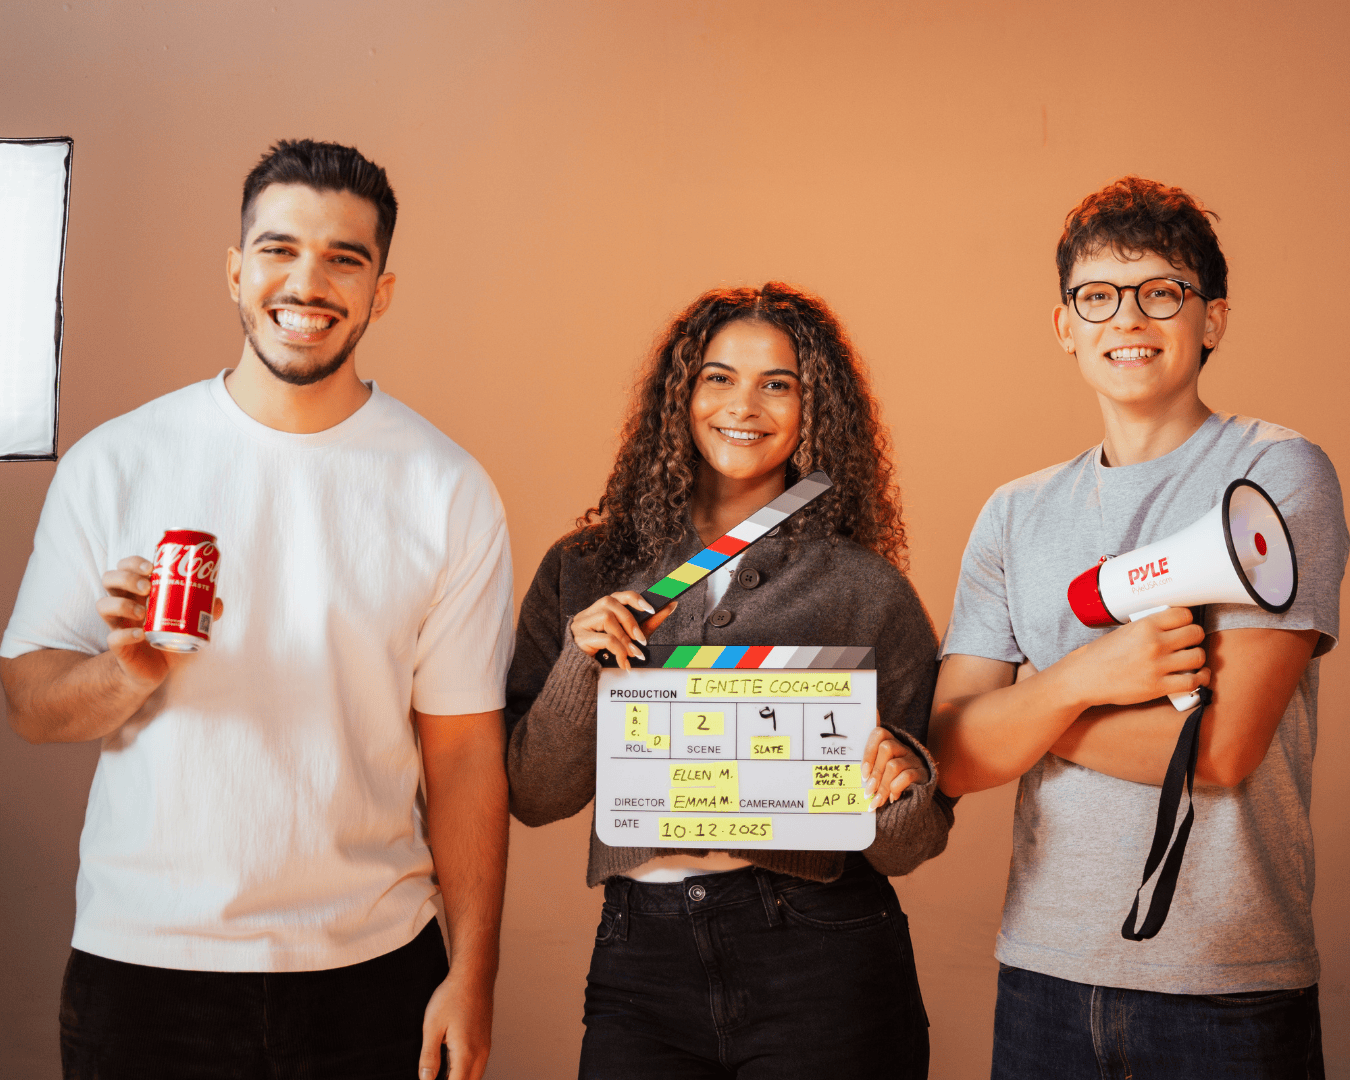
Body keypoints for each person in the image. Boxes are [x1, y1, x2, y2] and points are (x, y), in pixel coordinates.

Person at [0, 139, 514, 1080]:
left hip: (374, 967)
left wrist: (473, 974)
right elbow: (30, 705)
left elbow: (466, 751)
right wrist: (130, 669)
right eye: (280, 250)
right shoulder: (117, 461)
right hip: (145, 965)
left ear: (381, 292)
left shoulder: (449, 488)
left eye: (344, 259)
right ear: (236, 271)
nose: (307, 283)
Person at [929, 177, 1348, 1078]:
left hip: (1227, 986)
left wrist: (1025, 720)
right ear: (1065, 326)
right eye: (1098, 297)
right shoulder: (1013, 513)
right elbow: (951, 758)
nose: (1128, 318)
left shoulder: (1279, 475)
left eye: (1162, 292)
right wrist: (1088, 677)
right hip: (1042, 975)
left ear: (1212, 320)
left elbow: (1222, 750)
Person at [506, 282, 951, 1079]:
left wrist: (902, 787)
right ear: (680, 394)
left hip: (821, 951)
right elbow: (534, 797)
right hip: (640, 955)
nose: (744, 405)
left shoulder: (866, 589)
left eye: (778, 384)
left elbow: (911, 845)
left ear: (815, 410)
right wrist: (581, 664)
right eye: (718, 377)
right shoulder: (585, 568)